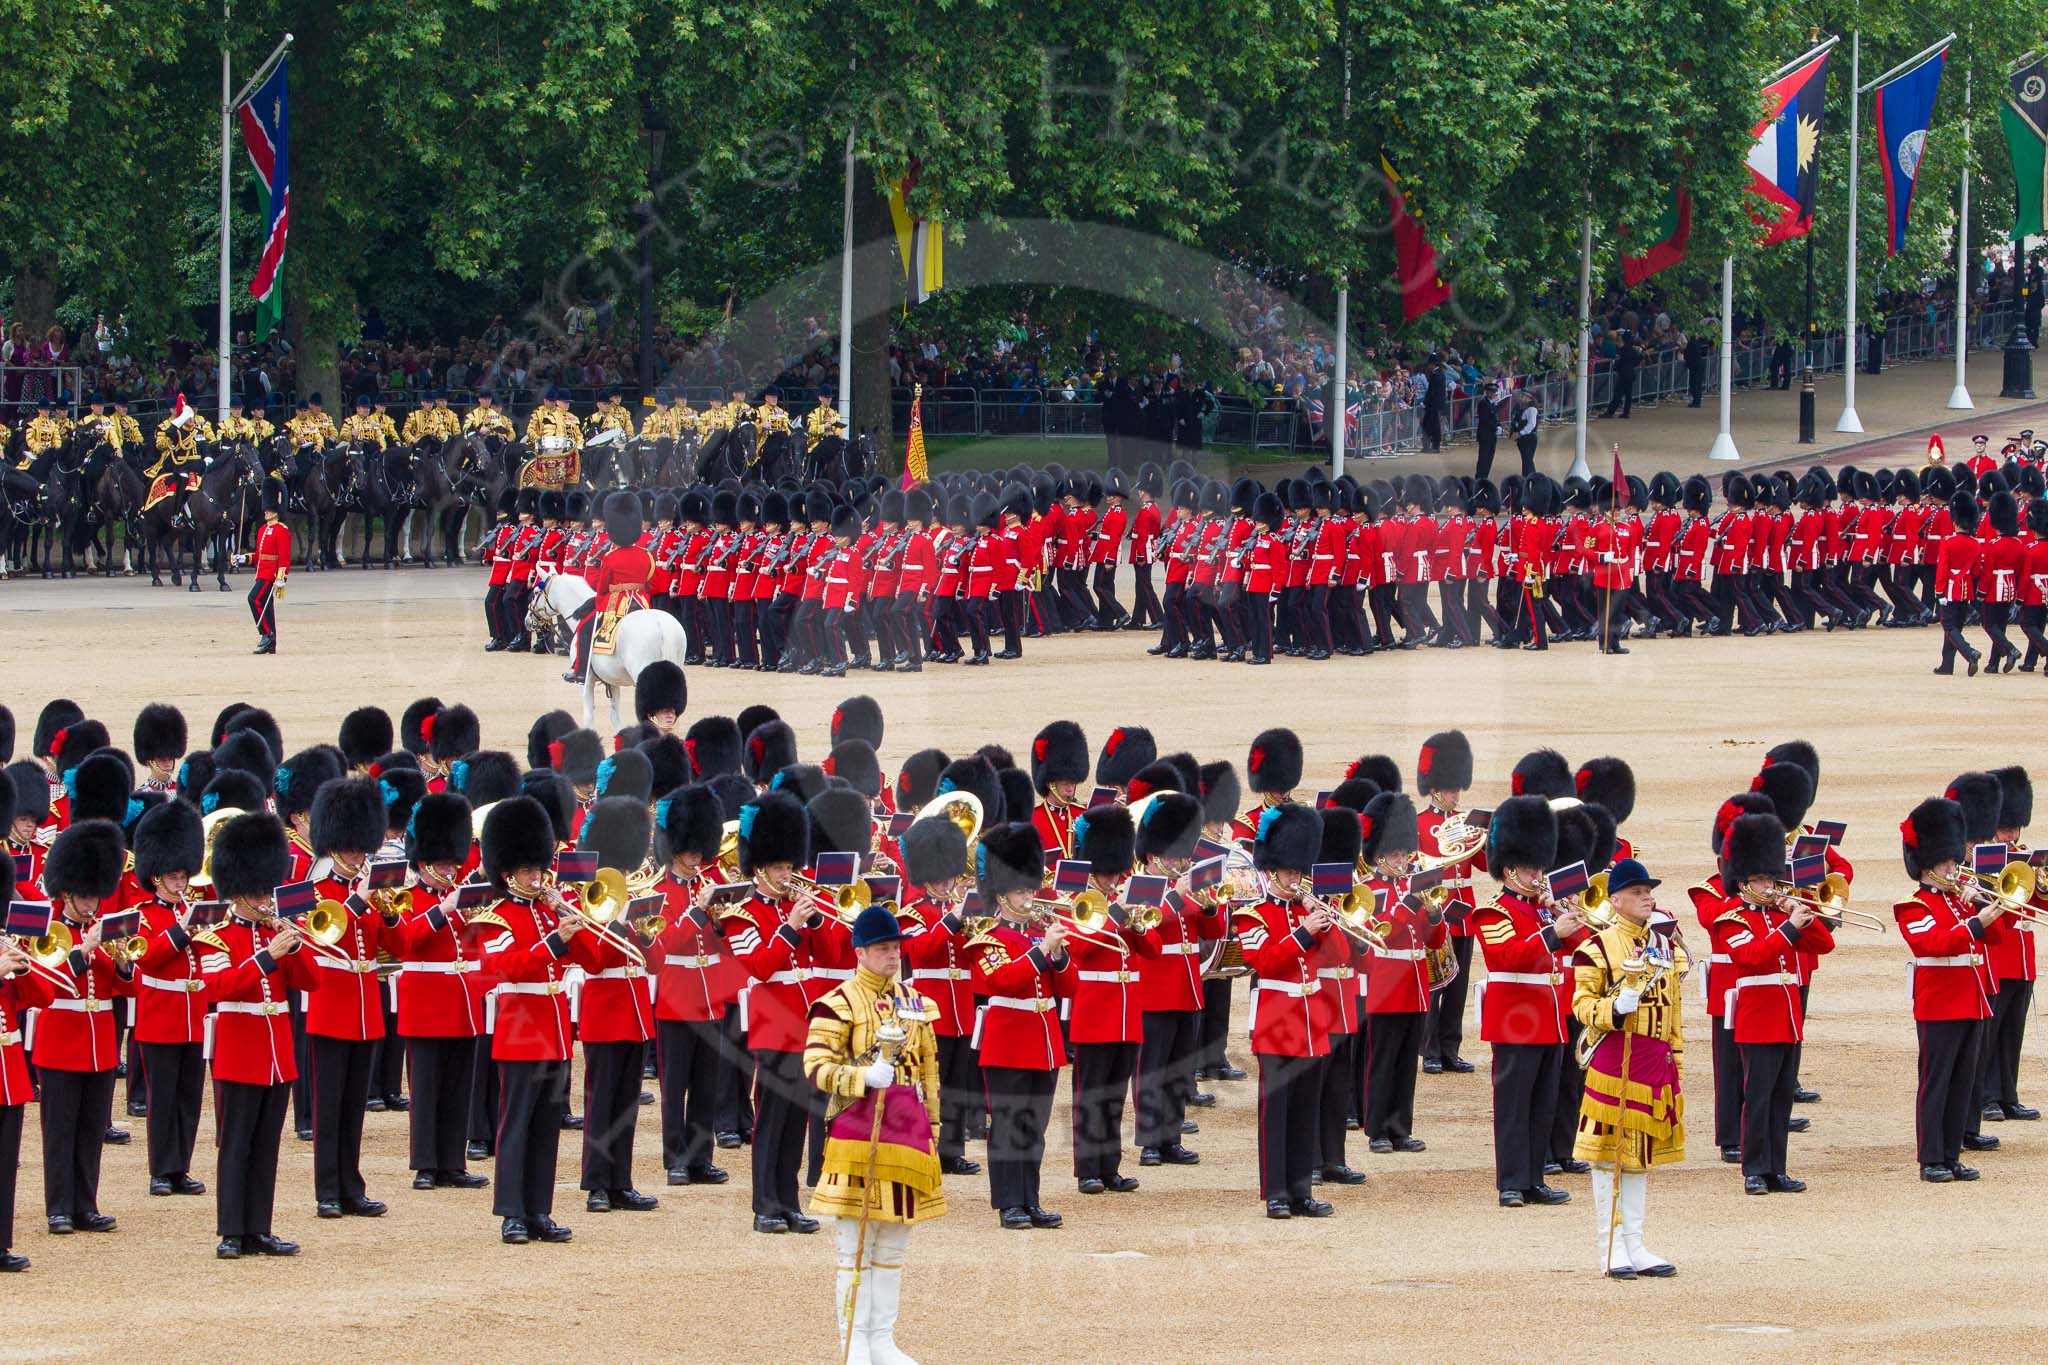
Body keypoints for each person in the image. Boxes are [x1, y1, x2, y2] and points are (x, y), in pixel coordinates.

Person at [803, 902, 945, 1365]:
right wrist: (862, 1078)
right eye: (883, 949)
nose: (892, 956)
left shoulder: (915, 1001)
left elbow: (929, 1069)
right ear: (860, 953)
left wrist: (936, 1129)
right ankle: (856, 1343)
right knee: (854, 1244)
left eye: (896, 948)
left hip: (908, 1129)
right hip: (858, 1129)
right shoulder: (838, 1002)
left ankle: (882, 1338)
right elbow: (816, 1067)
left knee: (893, 1243)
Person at [197, 812, 318, 1258]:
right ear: (236, 892)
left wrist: (295, 944)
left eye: (266, 891)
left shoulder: (276, 933)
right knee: (236, 1144)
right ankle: (232, 1230)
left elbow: (310, 983)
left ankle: (258, 1228)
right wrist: (268, 956)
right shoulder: (215, 939)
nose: (263, 900)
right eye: (255, 893)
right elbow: (220, 987)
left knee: (266, 1146)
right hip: (238, 1049)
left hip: (276, 1051)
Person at [474, 796, 589, 1244]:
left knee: (546, 1126)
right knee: (517, 1122)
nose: (537, 877)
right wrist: (555, 943)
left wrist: (572, 920)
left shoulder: (548, 912)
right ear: (507, 873)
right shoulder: (494, 917)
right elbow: (507, 968)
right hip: (521, 1029)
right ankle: (512, 1212)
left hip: (556, 1028)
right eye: (527, 871)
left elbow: (593, 960)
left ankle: (539, 1208)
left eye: (538, 868)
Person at [1569, 857, 1683, 1279]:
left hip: (1654, 1060)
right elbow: (1581, 1005)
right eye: (1636, 892)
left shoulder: (1662, 946)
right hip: (1616, 1059)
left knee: (1640, 1156)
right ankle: (1611, 1244)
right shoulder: (1595, 947)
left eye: (1648, 891)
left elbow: (1673, 1011)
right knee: (1608, 1155)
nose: (1646, 897)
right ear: (1615, 900)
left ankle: (1635, 1242)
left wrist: (1678, 1059)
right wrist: (1613, 1008)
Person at [1470, 796, 1581, 1207]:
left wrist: (1564, 919)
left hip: (1550, 1017)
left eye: (1540, 866)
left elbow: (1584, 948)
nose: (1539, 874)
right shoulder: (1494, 912)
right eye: (1532, 868)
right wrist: (1552, 933)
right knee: (1514, 1105)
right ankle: (1512, 1182)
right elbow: (1507, 956)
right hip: (1516, 1020)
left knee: (1542, 1103)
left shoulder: (1544, 911)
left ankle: (1534, 1178)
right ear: (1510, 869)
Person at [1716, 810, 1830, 1194]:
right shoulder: (1732, 920)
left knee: (1782, 1099)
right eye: (1761, 879)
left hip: (1787, 1015)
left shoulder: (1782, 916)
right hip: (1757, 1016)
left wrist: (1807, 917)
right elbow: (1751, 958)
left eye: (1770, 877)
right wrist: (1788, 927)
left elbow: (1825, 946)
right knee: (1758, 1097)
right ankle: (1753, 1169)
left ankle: (1776, 1168)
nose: (1769, 885)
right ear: (1743, 882)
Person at [1232, 800, 1334, 1218]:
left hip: (1312, 1020)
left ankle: (1300, 1190)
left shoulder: (1309, 910)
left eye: (1300, 872)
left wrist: (1323, 923)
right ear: (1272, 871)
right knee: (1276, 1112)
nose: (1297, 879)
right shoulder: (1251, 914)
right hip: (1276, 1020)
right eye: (1291, 872)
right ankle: (1275, 1191)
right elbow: (1266, 962)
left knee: (1306, 1110)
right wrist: (1304, 933)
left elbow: (1340, 957)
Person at [1896, 796, 2006, 1183]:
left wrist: (1989, 903)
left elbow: (1999, 937)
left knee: (1963, 1082)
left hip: (1972, 1000)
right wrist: (1976, 921)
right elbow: (1934, 944)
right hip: (1939, 1004)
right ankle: (1931, 1159)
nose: (1952, 868)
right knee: (1937, 1082)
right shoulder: (1912, 907)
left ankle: (1952, 1153)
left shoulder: (1962, 903)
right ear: (1926, 865)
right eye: (1945, 862)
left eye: (1953, 861)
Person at [386, 791, 490, 1191]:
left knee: (458, 1086)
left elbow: (477, 946)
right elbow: (406, 942)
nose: (450, 869)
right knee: (426, 1087)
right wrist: (443, 910)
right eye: (443, 863)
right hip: (427, 1002)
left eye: (453, 862)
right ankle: (425, 1164)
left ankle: (452, 1162)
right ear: (424, 863)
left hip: (463, 1002)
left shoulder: (464, 897)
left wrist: (469, 914)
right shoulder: (407, 897)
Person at [36, 819, 136, 1235]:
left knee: (91, 1127)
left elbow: (120, 989)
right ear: (65, 894)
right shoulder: (46, 932)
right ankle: (59, 1206)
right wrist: (85, 949)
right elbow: (45, 982)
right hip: (60, 1041)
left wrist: (125, 966)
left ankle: (85, 1204)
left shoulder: (106, 929)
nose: (92, 904)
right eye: (84, 896)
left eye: (95, 895)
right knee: (60, 1130)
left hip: (98, 1043)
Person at [967, 822, 1067, 1229]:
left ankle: (1030, 1198)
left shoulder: (1038, 935)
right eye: (1022, 891)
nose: (1029, 897)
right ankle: (1009, 1201)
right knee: (1007, 1127)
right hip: (1008, 1041)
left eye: (1030, 890)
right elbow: (1002, 980)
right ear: (1003, 894)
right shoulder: (987, 936)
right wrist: (1043, 952)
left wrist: (1058, 954)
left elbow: (1071, 985)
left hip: (1043, 1041)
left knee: (1034, 1128)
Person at [303, 777, 393, 1221]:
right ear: (334, 845)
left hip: (364, 1008)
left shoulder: (369, 892)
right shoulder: (315, 893)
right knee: (329, 1106)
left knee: (354, 1106)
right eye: (353, 848)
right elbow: (323, 937)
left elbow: (391, 946)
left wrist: (390, 913)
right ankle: (327, 1190)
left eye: (363, 848)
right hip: (331, 1005)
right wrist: (360, 903)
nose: (359, 856)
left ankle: (351, 1186)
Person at [129, 801, 210, 1197]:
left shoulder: (195, 910)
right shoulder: (143, 915)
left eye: (183, 875)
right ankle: (160, 1168)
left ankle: (181, 1167)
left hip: (193, 1013)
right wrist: (181, 930)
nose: (181, 882)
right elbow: (146, 956)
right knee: (162, 1098)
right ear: (156, 877)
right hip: (160, 1015)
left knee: (188, 1097)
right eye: (174, 876)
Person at [1416, 731, 1479, 1073]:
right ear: (1436, 789)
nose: (1457, 795)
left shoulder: (1468, 824)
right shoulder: (1419, 824)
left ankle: (1450, 1047)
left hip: (1464, 910)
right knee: (1435, 981)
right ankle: (1430, 1050)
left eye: (1458, 788)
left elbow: (1484, 864)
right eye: (1452, 789)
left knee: (1457, 984)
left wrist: (1489, 837)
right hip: (1437, 909)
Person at [247, 491, 290, 655]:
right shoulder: (263, 529)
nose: (265, 511)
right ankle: (271, 643)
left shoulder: (281, 530)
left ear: (276, 511)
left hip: (271, 575)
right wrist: (243, 559)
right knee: (267, 609)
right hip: (261, 573)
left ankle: (266, 634)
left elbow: (284, 557)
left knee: (253, 599)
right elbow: (258, 555)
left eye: (269, 509)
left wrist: (281, 578)